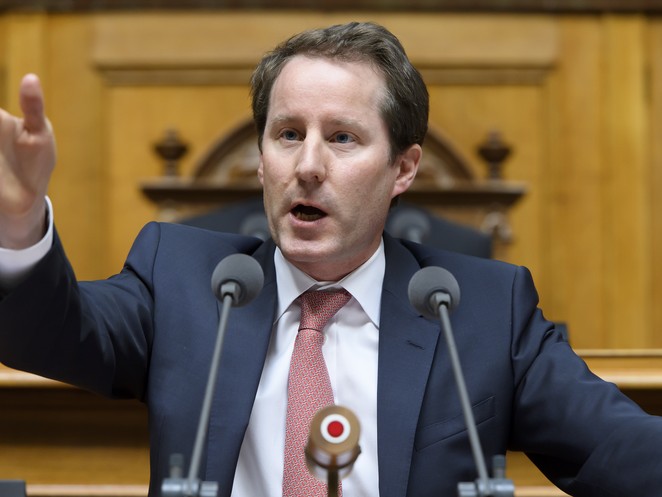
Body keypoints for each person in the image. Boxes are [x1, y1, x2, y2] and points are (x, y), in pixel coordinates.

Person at [0, 21, 661, 497]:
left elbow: (616, 447)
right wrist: (22, 221)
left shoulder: (482, 310)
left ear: (403, 168)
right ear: (262, 158)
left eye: (342, 137)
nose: (308, 165)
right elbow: (51, 332)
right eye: (288, 134)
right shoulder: (183, 279)